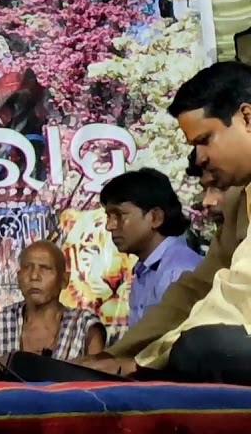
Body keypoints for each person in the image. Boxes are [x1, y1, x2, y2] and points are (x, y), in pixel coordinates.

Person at [78, 62, 251, 384]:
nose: (199, 158)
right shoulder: (242, 199)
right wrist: (113, 356)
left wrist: (141, 363)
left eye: (205, 139)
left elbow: (239, 294)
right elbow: (195, 289)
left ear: (247, 118)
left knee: (201, 347)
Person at [99, 168, 201, 327]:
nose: (109, 226)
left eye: (119, 215)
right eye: (108, 217)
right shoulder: (145, 269)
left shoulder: (179, 271)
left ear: (156, 217)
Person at [0, 240, 105, 361]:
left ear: (64, 280)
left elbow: (96, 371)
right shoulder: (1, 321)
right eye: (27, 268)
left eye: (45, 268)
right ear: (18, 277)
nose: (34, 276)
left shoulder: (85, 327)